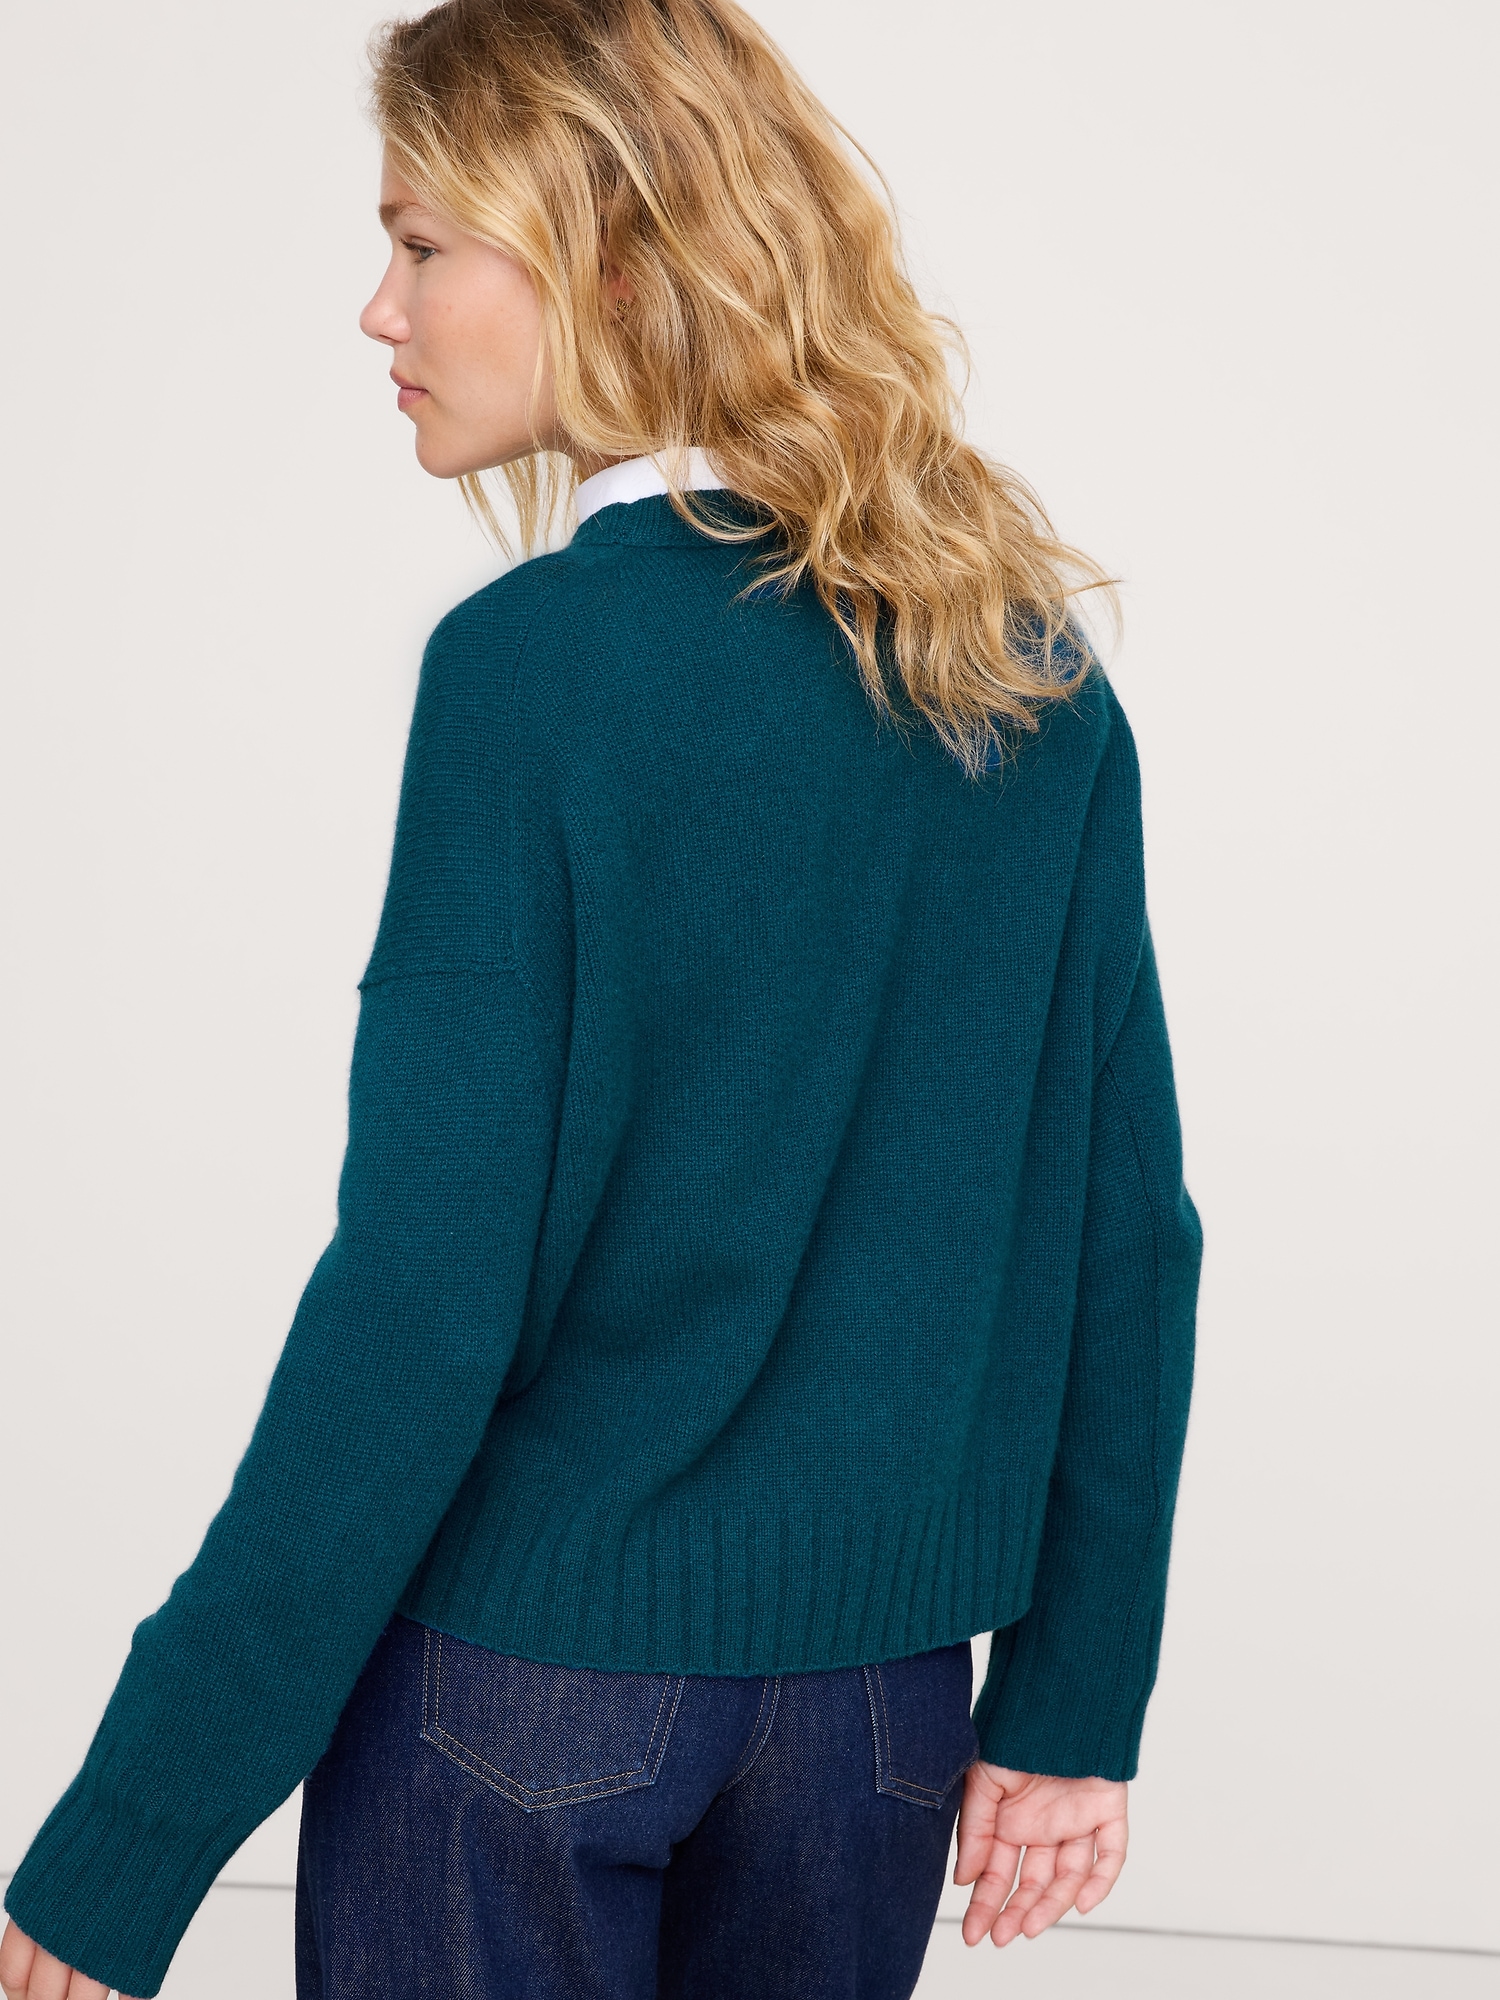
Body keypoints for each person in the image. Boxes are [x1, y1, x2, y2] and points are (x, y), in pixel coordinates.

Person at [0, 2, 1201, 1995]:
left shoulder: (533, 673)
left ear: (616, 261)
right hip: (881, 1724)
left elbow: (421, 1306)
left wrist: (133, 1827)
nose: (379, 310)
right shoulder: (1023, 672)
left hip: (522, 1695)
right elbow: (1124, 1240)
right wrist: (1073, 1702)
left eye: (422, 244)